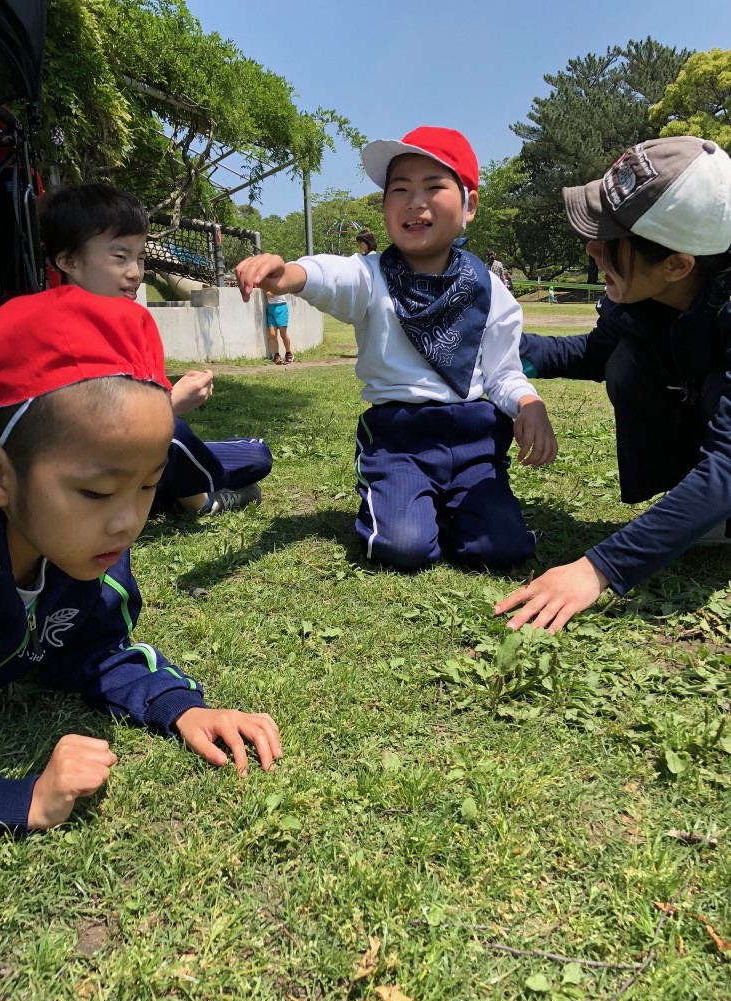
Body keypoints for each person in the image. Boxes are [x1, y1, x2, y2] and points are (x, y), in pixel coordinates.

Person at [0, 287, 281, 837]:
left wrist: (181, 707)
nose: (127, 522)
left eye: (147, 487)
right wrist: (21, 798)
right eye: (96, 492)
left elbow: (94, 650)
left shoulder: (88, 556)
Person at [236, 126, 557, 571]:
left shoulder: (490, 290)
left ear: (469, 206)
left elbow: (503, 372)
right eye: (400, 189)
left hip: (474, 440)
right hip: (398, 439)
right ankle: (405, 497)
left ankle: (454, 504)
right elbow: (332, 276)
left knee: (502, 550)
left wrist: (528, 403)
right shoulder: (371, 276)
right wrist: (287, 274)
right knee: (403, 548)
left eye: (434, 187)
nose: (414, 201)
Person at [496, 135, 731, 632]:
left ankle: (710, 514)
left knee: (715, 390)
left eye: (610, 240)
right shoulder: (643, 295)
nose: (592, 248)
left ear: (676, 264)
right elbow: (596, 354)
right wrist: (495, 346)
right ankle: (704, 516)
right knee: (627, 360)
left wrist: (597, 569)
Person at [39, 183, 271, 515]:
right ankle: (201, 501)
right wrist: (172, 404)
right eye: (120, 257)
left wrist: (172, 396)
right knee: (171, 434)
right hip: (88, 464)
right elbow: (76, 433)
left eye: (140, 258)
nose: (134, 273)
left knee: (258, 454)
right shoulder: (47, 329)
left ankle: (162, 491)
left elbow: (153, 391)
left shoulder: (137, 321)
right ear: (69, 260)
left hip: (139, 452)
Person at [266, 292, 293, 364]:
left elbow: (272, 294)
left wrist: (264, 287)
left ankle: (288, 354)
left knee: (283, 334)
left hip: (281, 307)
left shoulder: (276, 281)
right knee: (272, 334)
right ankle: (277, 355)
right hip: (270, 308)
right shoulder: (266, 282)